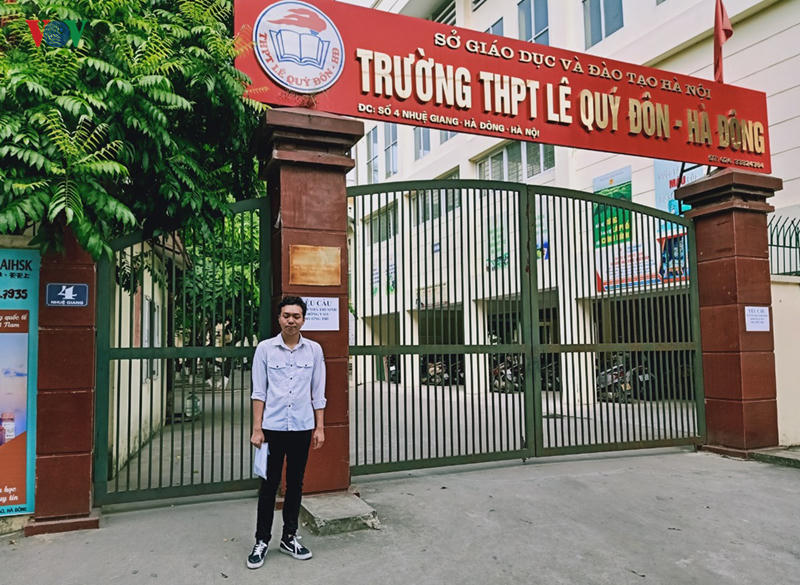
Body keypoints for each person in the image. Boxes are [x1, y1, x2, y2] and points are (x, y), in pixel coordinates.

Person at [247, 296, 326, 569]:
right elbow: (259, 392)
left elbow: (318, 391)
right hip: (272, 428)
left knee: (295, 484)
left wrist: (320, 427)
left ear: (303, 319)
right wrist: (257, 429)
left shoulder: (314, 350)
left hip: (302, 427)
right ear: (279, 318)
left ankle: (289, 537)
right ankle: (261, 540)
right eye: (286, 316)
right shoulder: (265, 349)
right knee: (268, 486)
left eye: (296, 316)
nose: (291, 320)